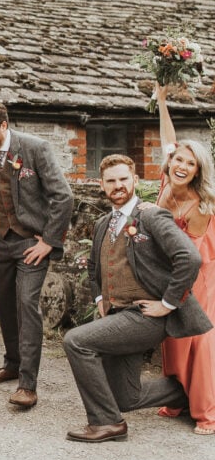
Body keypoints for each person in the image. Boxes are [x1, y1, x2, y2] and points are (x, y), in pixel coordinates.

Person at [64, 154, 211, 442]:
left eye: (123, 179)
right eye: (111, 181)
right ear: (101, 185)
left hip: (146, 317)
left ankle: (106, 423)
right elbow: (94, 267)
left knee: (76, 341)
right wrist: (99, 300)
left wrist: (167, 303)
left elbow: (189, 257)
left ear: (135, 180)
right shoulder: (104, 222)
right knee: (125, 398)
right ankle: (184, 394)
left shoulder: (151, 215)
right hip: (118, 316)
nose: (118, 185)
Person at [0, 100, 73, 408]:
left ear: (3, 125)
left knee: (26, 304)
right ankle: (11, 363)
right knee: (3, 303)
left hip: (30, 242)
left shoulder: (35, 148)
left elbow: (62, 197)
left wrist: (49, 241)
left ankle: (28, 385)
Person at [154, 85, 215, 435]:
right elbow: (169, 138)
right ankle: (177, 399)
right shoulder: (167, 179)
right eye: (179, 159)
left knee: (200, 336)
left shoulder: (199, 207)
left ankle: (207, 411)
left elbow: (188, 257)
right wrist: (161, 100)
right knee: (173, 336)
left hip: (199, 272)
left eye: (189, 164)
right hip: (174, 269)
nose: (181, 165)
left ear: (196, 172)